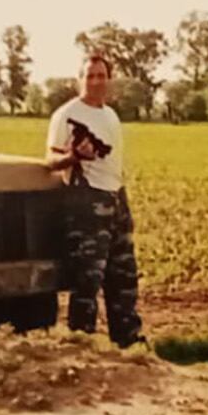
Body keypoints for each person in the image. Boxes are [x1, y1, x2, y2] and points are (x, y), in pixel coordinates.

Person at [46, 54, 143, 347]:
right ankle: (82, 345)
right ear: (79, 80)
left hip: (115, 198)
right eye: (90, 76)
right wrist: (75, 156)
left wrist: (122, 202)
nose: (96, 82)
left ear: (109, 80)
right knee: (88, 279)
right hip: (86, 202)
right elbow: (50, 160)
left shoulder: (110, 115)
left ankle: (129, 342)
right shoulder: (66, 115)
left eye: (101, 76)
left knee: (124, 277)